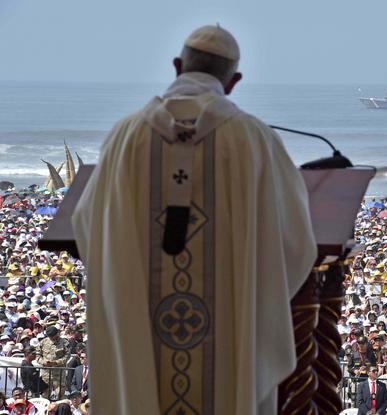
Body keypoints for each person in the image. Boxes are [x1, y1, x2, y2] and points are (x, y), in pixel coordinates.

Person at [71, 24, 316, 415]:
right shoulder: (252, 140)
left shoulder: (126, 137)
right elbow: (295, 242)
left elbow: (88, 227)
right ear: (233, 81)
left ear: (175, 66)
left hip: (142, 344)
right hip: (227, 351)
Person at [36, 326, 69, 399]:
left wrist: (57, 362)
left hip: (59, 374)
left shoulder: (64, 342)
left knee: (60, 394)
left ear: (57, 333)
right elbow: (37, 355)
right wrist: (42, 361)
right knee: (45, 394)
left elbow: (67, 356)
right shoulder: (43, 342)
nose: (51, 338)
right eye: (49, 336)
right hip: (46, 373)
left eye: (52, 336)